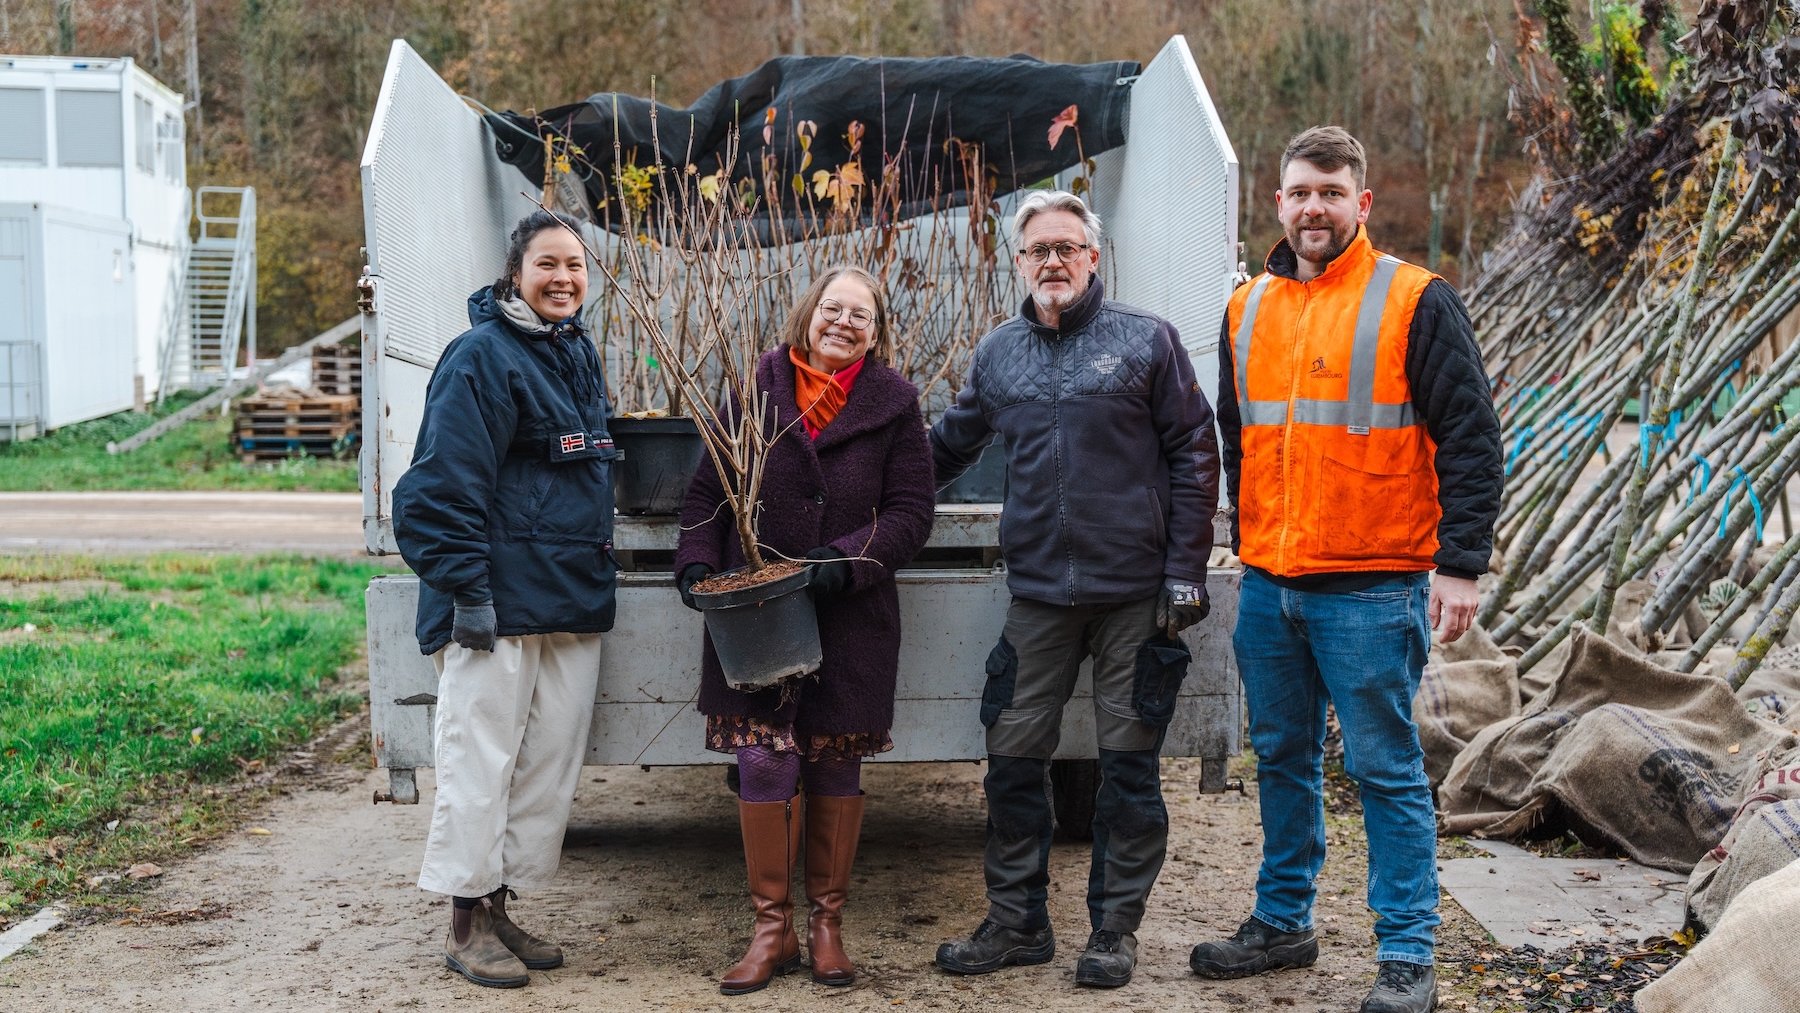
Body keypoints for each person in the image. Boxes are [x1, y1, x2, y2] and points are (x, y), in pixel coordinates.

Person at [1187, 126, 1502, 1013]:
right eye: (1299, 192)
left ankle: (1407, 954)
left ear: (1361, 202)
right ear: (1277, 204)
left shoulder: (1413, 298)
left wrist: (1461, 565)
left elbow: (1472, 438)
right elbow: (1238, 438)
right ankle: (1283, 920)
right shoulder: (1245, 307)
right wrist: (1248, 540)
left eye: (1331, 192)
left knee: (1384, 768)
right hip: (1271, 585)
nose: (1313, 207)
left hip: (1372, 585)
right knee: (1281, 757)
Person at [929, 190, 1220, 989]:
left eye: (1067, 247)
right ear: (1017, 263)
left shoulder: (1145, 342)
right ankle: (1017, 922)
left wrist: (1186, 570)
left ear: (1094, 256)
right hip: (1039, 598)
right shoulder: (999, 354)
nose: (1051, 261)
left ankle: (1113, 932)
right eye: (1037, 250)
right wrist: (861, 495)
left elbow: (1196, 451)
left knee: (1128, 768)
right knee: (1011, 756)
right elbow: (947, 446)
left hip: (1136, 595)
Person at [674, 265, 937, 995]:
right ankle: (772, 928)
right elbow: (707, 493)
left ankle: (826, 926)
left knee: (832, 766)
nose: (843, 322)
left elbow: (913, 512)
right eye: (833, 308)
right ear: (808, 314)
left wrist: (845, 560)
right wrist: (697, 566)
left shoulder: (896, 406)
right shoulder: (753, 391)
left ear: (876, 333)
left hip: (851, 618)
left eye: (861, 315)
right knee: (763, 762)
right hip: (755, 616)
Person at [391, 209, 618, 989]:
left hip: (566, 597)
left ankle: (498, 902)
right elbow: (436, 491)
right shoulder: (480, 356)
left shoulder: (573, 352)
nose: (563, 279)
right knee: (478, 759)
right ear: (514, 273)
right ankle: (463, 920)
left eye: (576, 266)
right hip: (498, 600)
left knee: (544, 764)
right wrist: (468, 593)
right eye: (547, 264)